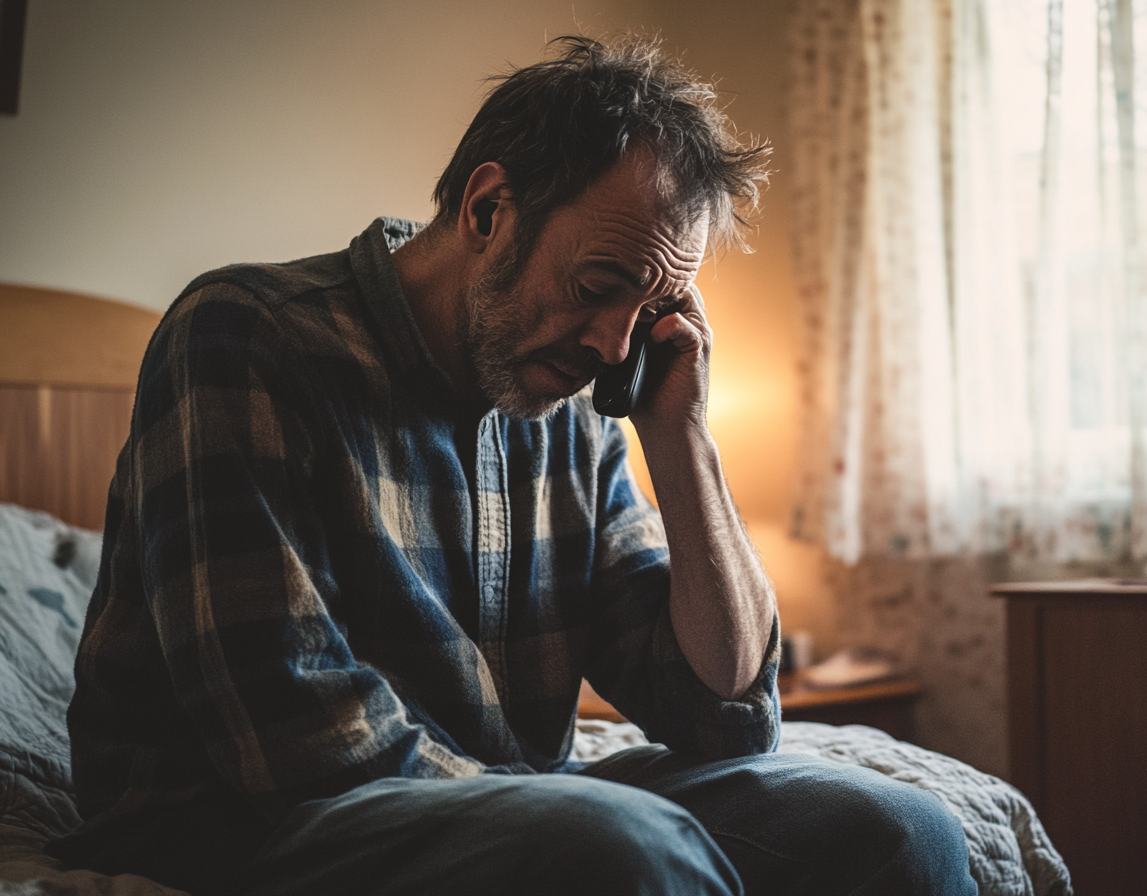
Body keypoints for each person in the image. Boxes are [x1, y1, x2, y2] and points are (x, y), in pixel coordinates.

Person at [52, 35, 978, 896]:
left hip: (516, 810)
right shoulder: (246, 335)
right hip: (252, 825)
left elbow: (724, 717)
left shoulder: (573, 404)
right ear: (488, 208)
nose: (617, 346)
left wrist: (682, 439)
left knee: (901, 831)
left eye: (651, 306)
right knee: (624, 847)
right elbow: (287, 729)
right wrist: (557, 805)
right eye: (596, 287)